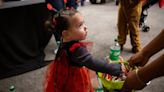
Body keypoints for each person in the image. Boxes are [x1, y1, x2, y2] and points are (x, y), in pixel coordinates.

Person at [44, 9, 122, 92]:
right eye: (80, 25)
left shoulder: (64, 40)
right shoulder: (76, 50)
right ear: (66, 34)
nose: (85, 27)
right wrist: (117, 69)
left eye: (83, 23)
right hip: (74, 79)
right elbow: (92, 62)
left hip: (63, 72)